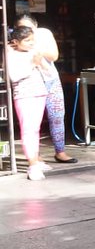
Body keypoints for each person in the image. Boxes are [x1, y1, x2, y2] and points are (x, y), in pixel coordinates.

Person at [17, 15, 75, 164]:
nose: (25, 31)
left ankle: (60, 151)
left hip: (50, 79)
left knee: (57, 115)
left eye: (28, 28)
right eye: (21, 28)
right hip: (30, 82)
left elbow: (54, 56)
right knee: (33, 121)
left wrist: (37, 48)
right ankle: (36, 155)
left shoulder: (44, 34)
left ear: (35, 27)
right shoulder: (16, 41)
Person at [6, 25, 50, 180]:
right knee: (28, 130)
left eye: (32, 40)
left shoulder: (33, 52)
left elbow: (48, 72)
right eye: (27, 40)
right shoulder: (11, 55)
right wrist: (33, 64)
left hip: (39, 92)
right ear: (16, 42)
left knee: (35, 130)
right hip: (25, 95)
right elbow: (14, 76)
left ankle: (35, 160)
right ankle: (32, 165)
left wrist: (40, 62)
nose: (31, 43)